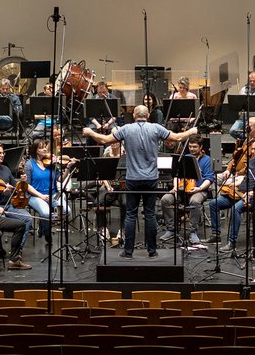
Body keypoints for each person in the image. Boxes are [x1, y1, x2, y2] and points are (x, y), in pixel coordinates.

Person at [83, 104, 197, 258]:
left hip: (133, 178)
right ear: (148, 115)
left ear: (135, 115)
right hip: (151, 178)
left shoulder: (127, 128)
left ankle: (128, 251)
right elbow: (177, 138)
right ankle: (152, 251)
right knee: (149, 214)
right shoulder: (156, 128)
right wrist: (191, 131)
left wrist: (90, 131)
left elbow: (105, 140)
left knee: (131, 214)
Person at [206, 138, 255, 253]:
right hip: (239, 194)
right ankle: (215, 235)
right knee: (214, 203)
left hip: (254, 198)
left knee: (235, 209)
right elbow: (246, 178)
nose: (252, 151)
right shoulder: (252, 161)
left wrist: (252, 193)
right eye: (252, 149)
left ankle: (232, 242)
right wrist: (235, 184)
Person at [0, 143, 34, 267]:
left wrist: (22, 183)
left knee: (28, 219)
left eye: (3, 153)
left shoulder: (5, 169)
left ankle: (17, 252)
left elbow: (16, 187)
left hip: (9, 206)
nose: (2, 155)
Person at [158, 134, 214, 246]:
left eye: (195, 147)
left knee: (194, 201)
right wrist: (175, 187)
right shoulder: (184, 157)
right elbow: (176, 176)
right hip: (182, 189)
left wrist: (199, 188)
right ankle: (171, 229)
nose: (192, 149)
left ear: (201, 147)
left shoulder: (207, 159)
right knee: (165, 200)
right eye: (190, 146)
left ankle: (193, 231)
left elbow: (209, 178)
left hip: (199, 190)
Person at [22, 139, 68, 244]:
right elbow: (27, 185)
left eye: (45, 147)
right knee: (47, 213)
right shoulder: (29, 164)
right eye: (41, 147)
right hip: (35, 195)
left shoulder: (50, 163)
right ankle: (47, 233)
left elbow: (60, 179)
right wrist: (41, 196)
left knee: (66, 211)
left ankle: (42, 225)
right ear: (35, 150)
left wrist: (68, 168)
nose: (44, 149)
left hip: (53, 194)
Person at [228, 71, 255, 139]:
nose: (252, 83)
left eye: (254, 81)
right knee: (232, 131)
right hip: (244, 118)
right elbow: (239, 106)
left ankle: (252, 141)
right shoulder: (243, 90)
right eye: (250, 81)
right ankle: (247, 140)